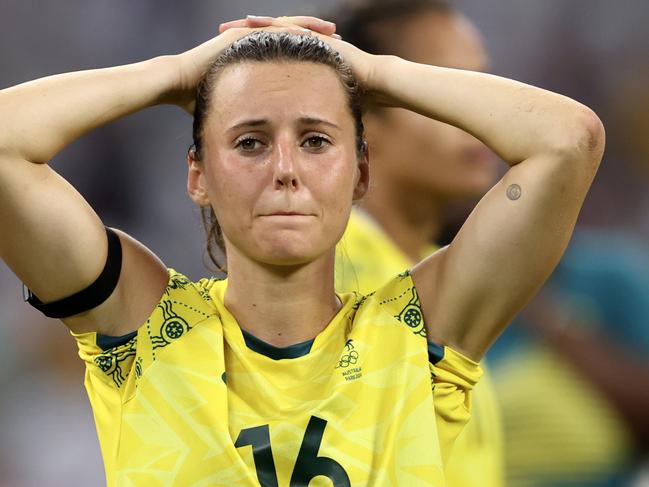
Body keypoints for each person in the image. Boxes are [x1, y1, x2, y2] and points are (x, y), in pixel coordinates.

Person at [0, 13, 604, 486]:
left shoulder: (419, 337)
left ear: (361, 174)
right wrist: (177, 72)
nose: (286, 169)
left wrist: (372, 73)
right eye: (249, 142)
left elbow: (569, 140)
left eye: (316, 140)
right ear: (198, 175)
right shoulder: (144, 327)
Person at [329, 1, 504, 485]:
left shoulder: (436, 266)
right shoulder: (329, 281)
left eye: (482, 84)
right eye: (443, 88)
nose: (479, 113)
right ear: (364, 119)